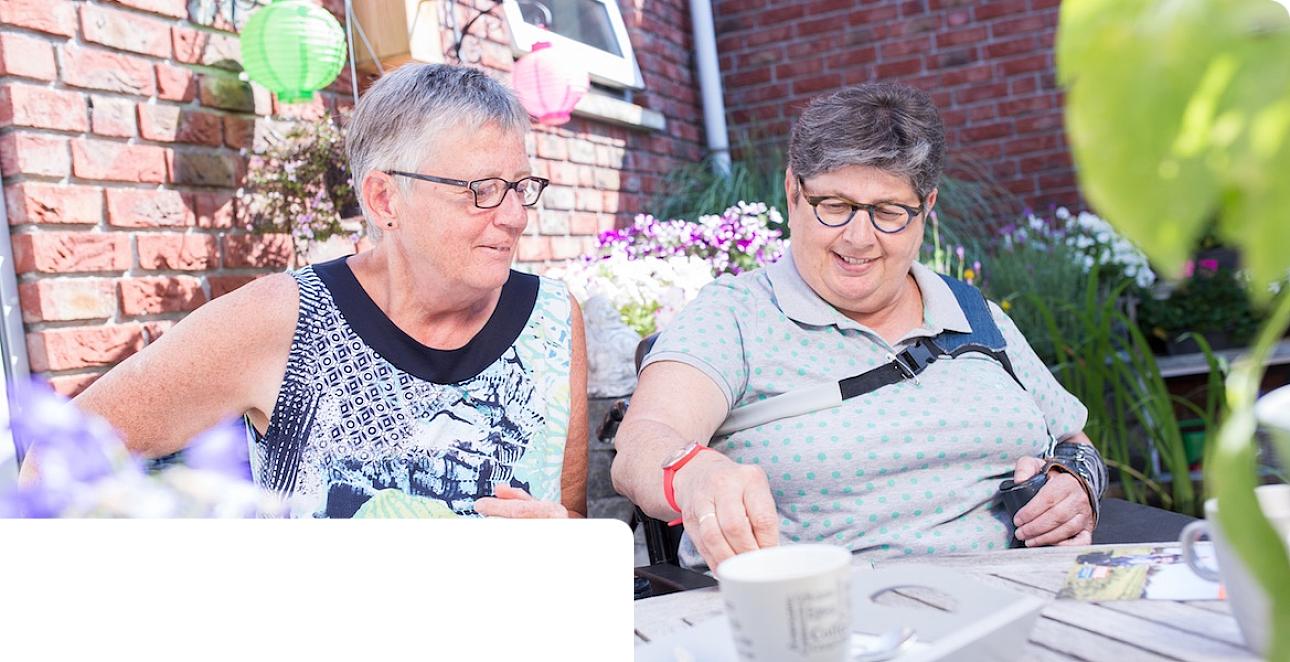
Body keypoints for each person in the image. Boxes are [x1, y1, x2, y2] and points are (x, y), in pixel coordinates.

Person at [21, 64, 587, 519]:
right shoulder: (285, 321)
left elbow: (572, 527)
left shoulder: (553, 321)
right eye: (482, 190)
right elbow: (55, 461)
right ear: (385, 199)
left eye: (520, 187)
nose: (515, 216)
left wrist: (563, 543)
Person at [611, 82, 1105, 570]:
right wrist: (695, 475)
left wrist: (1076, 483)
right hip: (822, 617)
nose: (859, 237)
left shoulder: (973, 313)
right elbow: (642, 442)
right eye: (836, 206)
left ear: (926, 210)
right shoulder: (735, 316)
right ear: (793, 193)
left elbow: (1072, 441)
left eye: (889, 212)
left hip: (1016, 601)